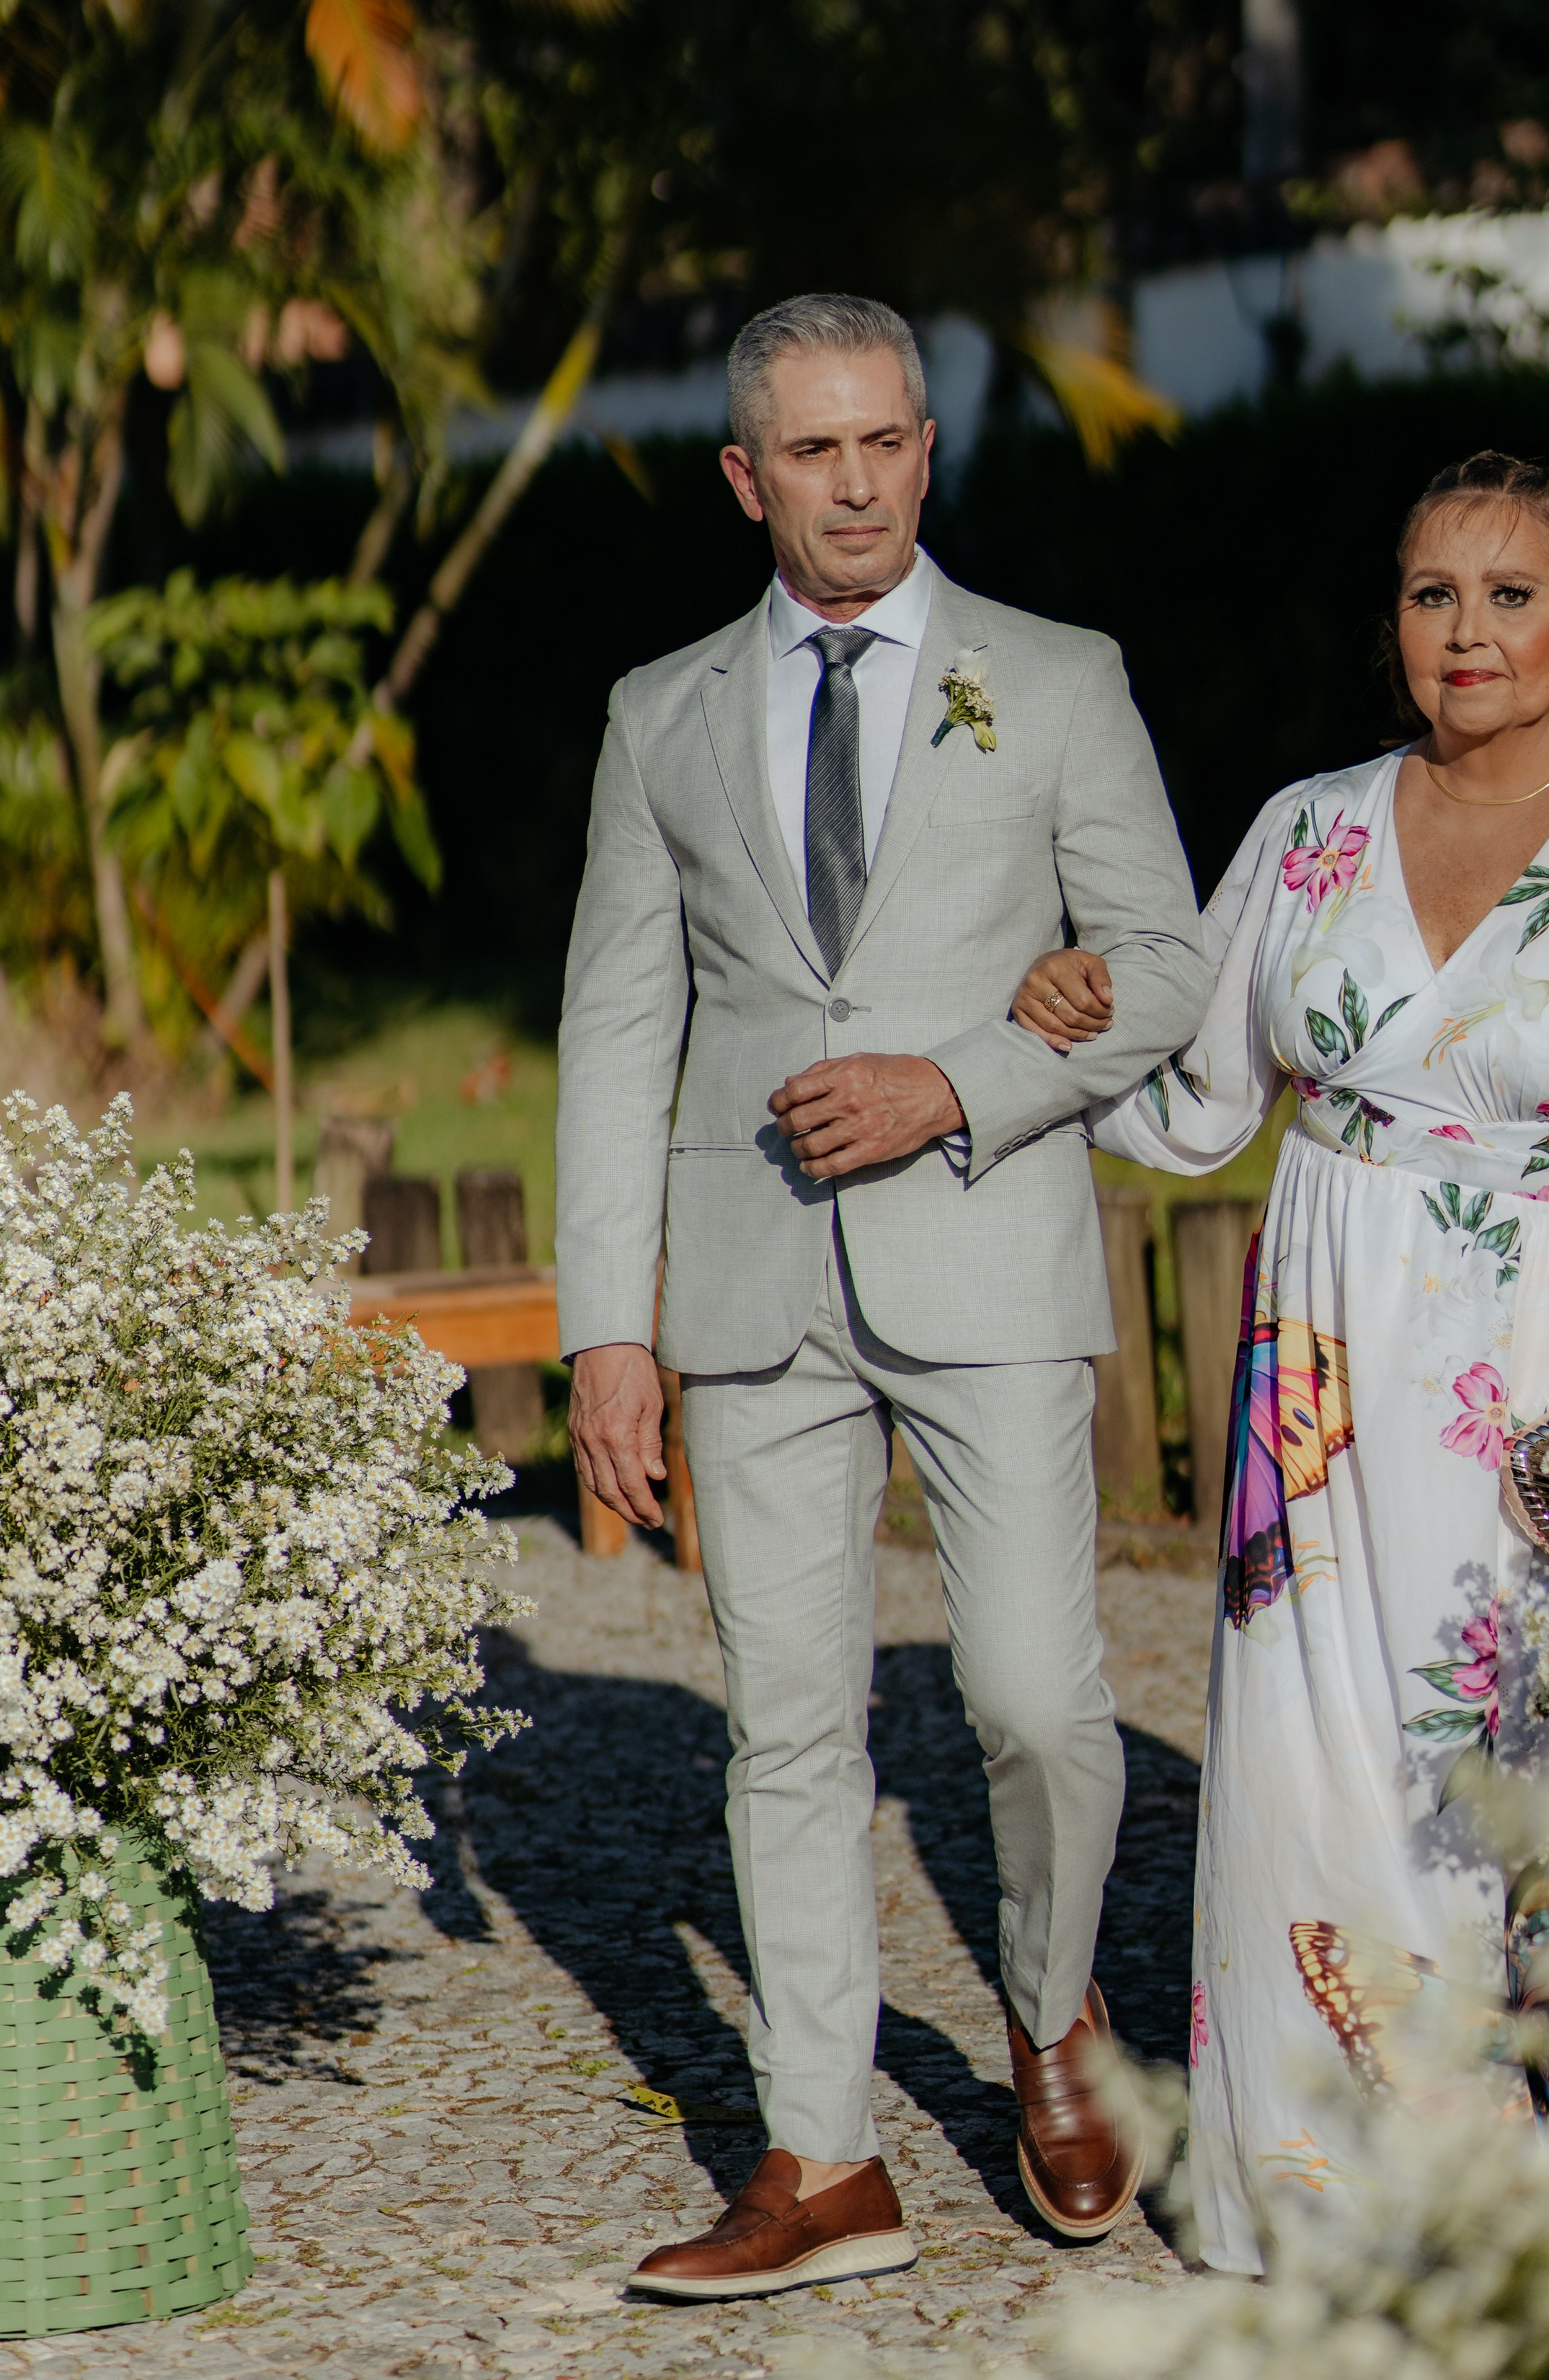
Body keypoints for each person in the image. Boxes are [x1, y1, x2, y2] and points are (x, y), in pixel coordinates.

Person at [1011, 450, 1549, 2275]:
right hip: (1322, 1386)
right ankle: (1318, 2213)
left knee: (1535, 1779)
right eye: (1434, 594)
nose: (1469, 633)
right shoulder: (1307, 829)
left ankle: (1544, 2220)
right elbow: (1195, 1101)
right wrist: (1069, 1009)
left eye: (1510, 595)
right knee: (1305, 1770)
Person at [555, 292, 1214, 2299]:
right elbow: (615, 1020)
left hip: (991, 1250)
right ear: (750, 476)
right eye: (813, 453)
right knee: (785, 1727)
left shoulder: (1061, 677)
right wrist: (610, 1324)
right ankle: (823, 2158)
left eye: (886, 443)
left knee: (1033, 1696)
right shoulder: (658, 712)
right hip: (752, 1279)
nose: (856, 483)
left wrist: (965, 1082)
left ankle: (1051, 2012)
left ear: (928, 451)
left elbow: (1172, 968)